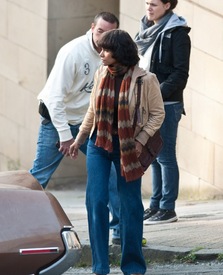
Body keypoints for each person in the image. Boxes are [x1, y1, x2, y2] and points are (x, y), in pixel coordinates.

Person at [69, 29, 165, 275]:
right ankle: (100, 267)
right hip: (98, 144)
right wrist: (78, 139)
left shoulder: (146, 80)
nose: (100, 54)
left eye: (106, 50)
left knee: (130, 204)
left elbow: (158, 114)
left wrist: (141, 140)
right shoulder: (102, 72)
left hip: (128, 147)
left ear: (119, 52)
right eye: (100, 49)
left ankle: (133, 266)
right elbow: (92, 111)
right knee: (97, 201)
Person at [29, 12, 121, 242]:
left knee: (110, 173)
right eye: (100, 31)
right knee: (39, 175)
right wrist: (65, 136)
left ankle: (120, 229)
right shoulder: (73, 52)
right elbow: (54, 99)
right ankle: (15, 223)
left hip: (87, 123)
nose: (103, 38)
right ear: (92, 28)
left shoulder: (113, 54)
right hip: (56, 119)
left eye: (108, 33)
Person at [135, 0, 191, 224]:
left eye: (154, 3)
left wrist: (156, 95)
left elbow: (180, 74)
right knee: (154, 155)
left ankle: (168, 208)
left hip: (166, 104)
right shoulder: (145, 30)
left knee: (165, 156)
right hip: (146, 103)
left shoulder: (177, 34)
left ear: (168, 5)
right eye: (146, 2)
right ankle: (156, 204)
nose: (148, 7)